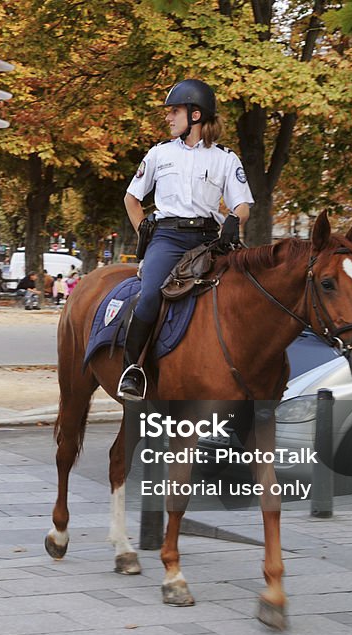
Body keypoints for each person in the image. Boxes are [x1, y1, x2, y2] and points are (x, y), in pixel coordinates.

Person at [118, 78, 253, 401]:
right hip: (167, 238)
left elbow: (243, 204)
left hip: (208, 239)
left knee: (242, 292)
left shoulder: (225, 159)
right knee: (150, 294)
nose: (168, 118)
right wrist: (145, 235)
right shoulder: (158, 154)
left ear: (195, 115)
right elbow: (131, 200)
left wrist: (235, 220)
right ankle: (132, 370)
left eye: (174, 111)